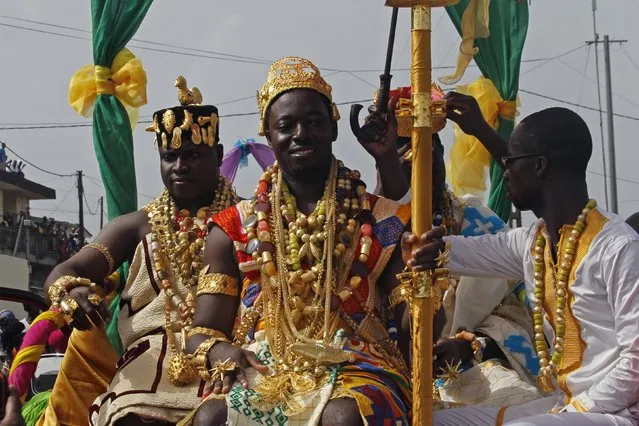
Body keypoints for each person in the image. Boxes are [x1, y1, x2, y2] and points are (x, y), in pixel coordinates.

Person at [185, 57, 445, 425]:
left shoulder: (384, 221)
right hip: (267, 366)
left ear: (334, 129)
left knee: (343, 418)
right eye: (286, 125)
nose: (300, 134)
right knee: (213, 417)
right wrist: (220, 348)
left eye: (314, 122)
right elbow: (202, 330)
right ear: (268, 134)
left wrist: (424, 280)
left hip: (359, 364)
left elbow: (419, 329)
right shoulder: (235, 226)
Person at [404, 106, 639, 425]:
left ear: (539, 166)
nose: (505, 172)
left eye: (511, 162)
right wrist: (422, 247)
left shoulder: (617, 247)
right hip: (563, 405)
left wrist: (578, 410)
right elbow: (457, 252)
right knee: (426, 421)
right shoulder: (533, 242)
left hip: (615, 413)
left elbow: (636, 361)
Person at [41, 77, 239, 425]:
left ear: (218, 155)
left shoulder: (246, 218)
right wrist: (75, 291)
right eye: (170, 156)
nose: (180, 167)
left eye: (193, 155)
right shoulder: (135, 226)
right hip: (145, 364)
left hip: (222, 358)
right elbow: (67, 270)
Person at [370, 87, 540, 408]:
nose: (428, 165)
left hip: (471, 373)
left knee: (522, 404)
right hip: (383, 373)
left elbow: (519, 310)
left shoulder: (473, 219)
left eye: (433, 152)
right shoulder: (369, 227)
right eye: (411, 157)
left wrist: (473, 345)